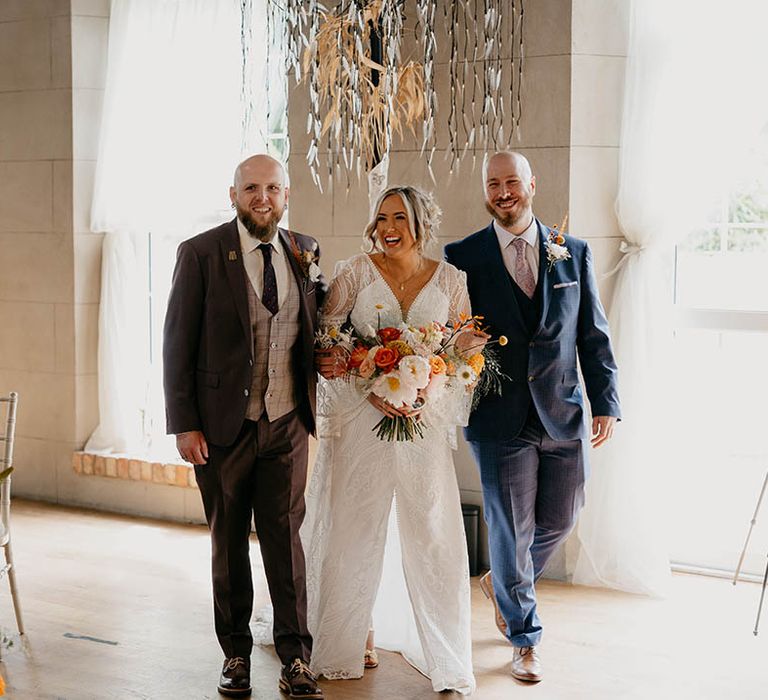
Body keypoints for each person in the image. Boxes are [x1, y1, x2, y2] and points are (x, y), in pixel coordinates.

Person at [444, 151, 621, 683]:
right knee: (511, 526)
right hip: (498, 415)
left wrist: (606, 400)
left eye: (512, 182)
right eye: (493, 184)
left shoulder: (573, 252)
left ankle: (503, 578)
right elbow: (445, 336)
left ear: (531, 185)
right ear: (485, 190)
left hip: (562, 410)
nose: (503, 192)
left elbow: (593, 333)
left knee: (563, 516)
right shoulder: (462, 256)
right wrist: (457, 343)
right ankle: (525, 638)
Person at [163, 154, 326, 699]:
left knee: (286, 544)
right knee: (229, 543)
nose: (263, 198)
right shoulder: (202, 252)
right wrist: (185, 423)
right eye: (251, 188)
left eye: (273, 188)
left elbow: (315, 331)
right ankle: (235, 655)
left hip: (288, 424)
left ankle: (296, 658)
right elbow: (177, 343)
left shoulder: (305, 250)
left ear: (287, 195)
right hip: (221, 428)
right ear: (232, 194)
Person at [305, 185, 476, 695]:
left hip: (421, 422)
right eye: (381, 218)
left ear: (421, 222)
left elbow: (464, 352)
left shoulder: (452, 279)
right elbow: (327, 338)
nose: (387, 228)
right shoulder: (354, 272)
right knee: (356, 522)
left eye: (398, 217)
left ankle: (440, 646)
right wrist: (369, 381)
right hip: (363, 419)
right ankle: (350, 632)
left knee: (429, 526)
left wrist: (432, 384)